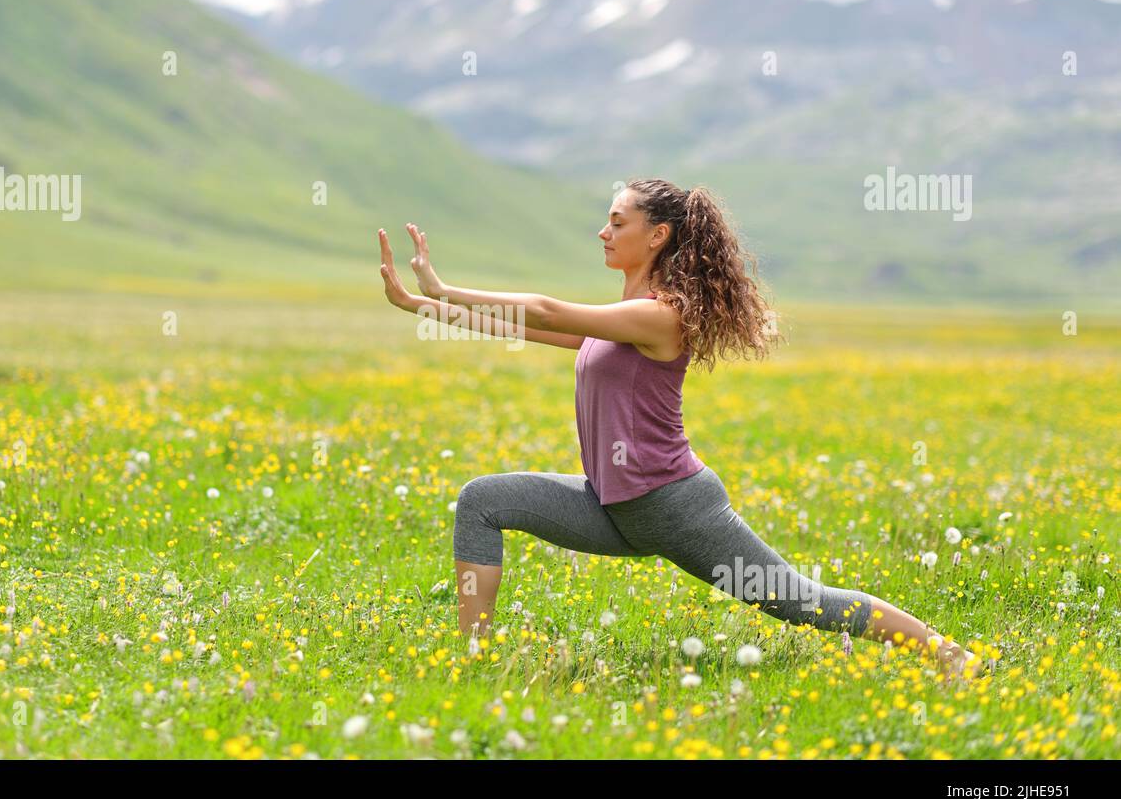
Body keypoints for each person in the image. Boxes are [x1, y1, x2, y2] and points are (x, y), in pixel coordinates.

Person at [377, 178, 981, 682]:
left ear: (657, 235)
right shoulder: (621, 319)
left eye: (617, 222)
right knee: (482, 501)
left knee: (803, 603)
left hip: (675, 509)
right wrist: (423, 308)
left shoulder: (659, 315)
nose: (603, 232)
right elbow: (527, 327)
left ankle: (951, 654)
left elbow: (549, 310)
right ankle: (476, 661)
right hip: (612, 507)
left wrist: (444, 286)